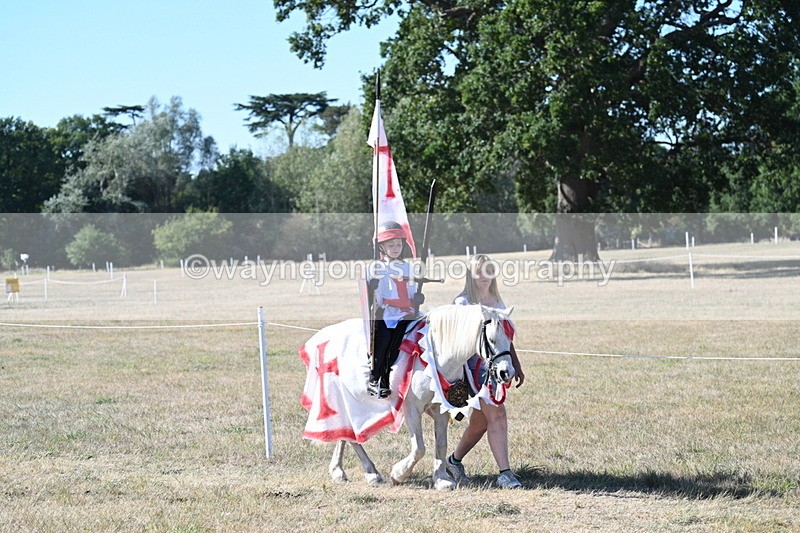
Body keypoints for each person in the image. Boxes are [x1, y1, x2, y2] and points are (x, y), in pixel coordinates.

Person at [445, 254, 526, 489]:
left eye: (488, 271)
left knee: (480, 423)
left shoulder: (496, 300)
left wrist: (515, 364)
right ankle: (505, 473)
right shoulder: (462, 302)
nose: (483, 276)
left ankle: (453, 462)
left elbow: (503, 338)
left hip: (495, 367)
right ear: (470, 275)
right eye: (478, 271)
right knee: (497, 415)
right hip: (472, 371)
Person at [366, 221, 424, 398]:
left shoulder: (408, 267)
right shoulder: (375, 268)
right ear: (381, 247)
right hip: (386, 313)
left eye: (398, 244)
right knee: (383, 345)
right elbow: (371, 295)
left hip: (406, 313)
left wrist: (418, 298)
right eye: (391, 244)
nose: (395, 247)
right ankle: (377, 379)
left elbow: (412, 290)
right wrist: (372, 284)